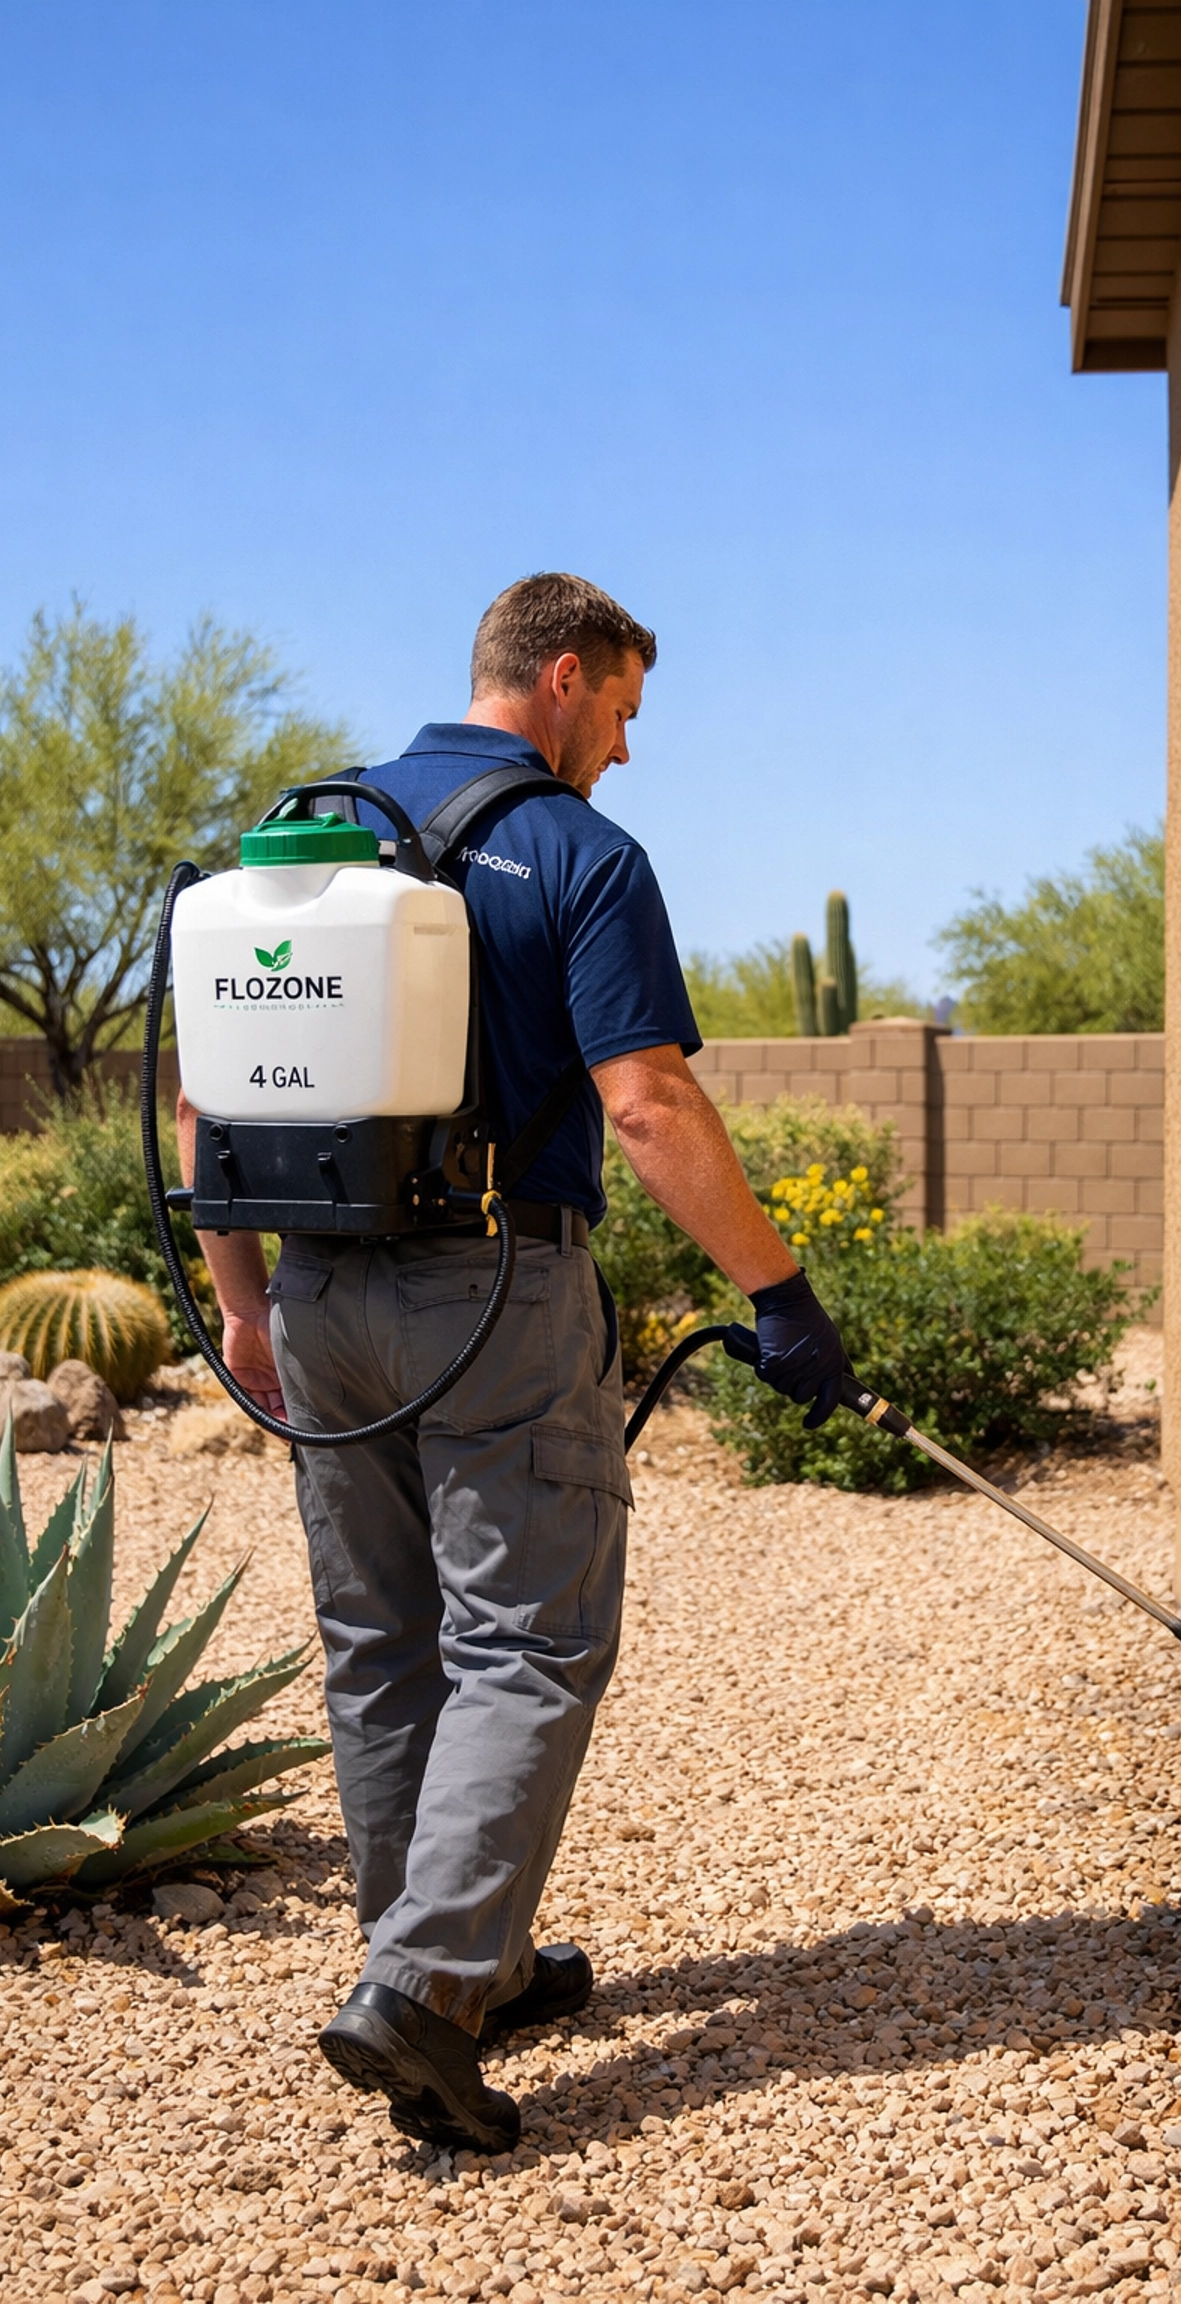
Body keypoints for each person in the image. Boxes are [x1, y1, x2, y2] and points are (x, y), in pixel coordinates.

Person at [177, 572, 848, 2154]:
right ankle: (421, 1994)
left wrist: (248, 1306)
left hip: (319, 1295)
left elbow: (206, 1116)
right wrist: (780, 1292)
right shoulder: (578, 854)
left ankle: (448, 1960)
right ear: (558, 679)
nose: (623, 750)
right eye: (619, 713)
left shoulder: (307, 843)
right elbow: (650, 1104)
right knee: (527, 1645)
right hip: (491, 1293)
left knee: (379, 1641)